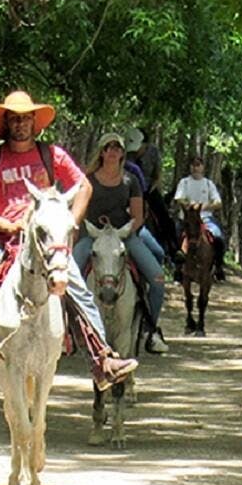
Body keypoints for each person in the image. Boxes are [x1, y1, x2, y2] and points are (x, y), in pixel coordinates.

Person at [0, 91, 139, 391]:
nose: (20, 124)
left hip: (46, 240)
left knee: (79, 291)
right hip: (1, 239)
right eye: (14, 119)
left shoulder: (52, 155)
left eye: (25, 119)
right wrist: (6, 224)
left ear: (34, 123)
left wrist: (70, 223)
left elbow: (84, 186)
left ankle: (103, 360)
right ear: (6, 123)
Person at [72, 132, 169, 354]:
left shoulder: (130, 180)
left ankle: (150, 329)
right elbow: (79, 212)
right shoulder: (88, 180)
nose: (113, 151)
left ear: (123, 153)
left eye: (117, 148)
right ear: (102, 152)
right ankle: (69, 330)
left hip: (124, 235)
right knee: (68, 278)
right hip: (93, 236)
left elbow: (137, 215)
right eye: (109, 147)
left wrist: (121, 233)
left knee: (157, 278)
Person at [125, 127, 180, 264]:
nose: (136, 151)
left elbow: (158, 175)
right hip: (129, 188)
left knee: (164, 215)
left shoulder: (153, 152)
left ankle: (174, 249)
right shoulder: (126, 154)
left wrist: (151, 189)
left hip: (149, 188)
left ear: (145, 144)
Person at [174, 155, 226, 281]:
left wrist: (204, 206)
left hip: (205, 218)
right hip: (187, 218)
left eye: (198, 165)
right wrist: (190, 206)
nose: (195, 168)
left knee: (218, 237)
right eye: (193, 165)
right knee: (175, 236)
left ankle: (218, 265)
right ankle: (178, 268)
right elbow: (178, 198)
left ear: (202, 167)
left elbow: (218, 202)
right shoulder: (184, 182)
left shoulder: (208, 184)